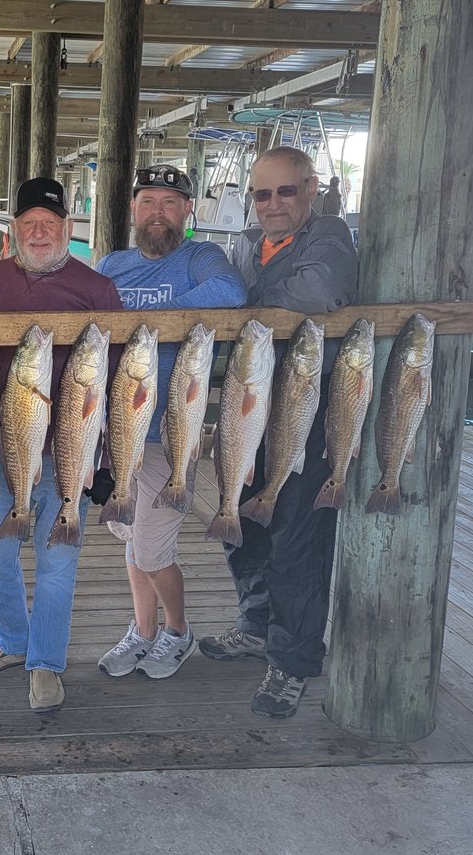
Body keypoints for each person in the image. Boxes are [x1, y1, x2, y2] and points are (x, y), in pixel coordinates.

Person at [200, 145, 358, 719]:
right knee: (237, 523)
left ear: (311, 189)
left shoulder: (329, 235)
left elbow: (319, 293)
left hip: (307, 415)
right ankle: (257, 626)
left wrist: (245, 307)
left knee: (298, 541)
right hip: (248, 412)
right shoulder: (243, 244)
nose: (273, 204)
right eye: (262, 194)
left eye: (285, 191)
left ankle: (292, 662)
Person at [0, 177, 123, 713]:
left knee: (57, 564)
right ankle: (12, 640)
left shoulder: (97, 288)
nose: (38, 233)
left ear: (67, 230)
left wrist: (105, 459)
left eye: (49, 225)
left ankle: (46, 662)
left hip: (66, 452)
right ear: (12, 232)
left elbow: (119, 379)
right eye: (28, 223)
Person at [96, 164, 247, 680]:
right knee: (133, 539)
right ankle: (142, 632)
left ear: (188, 210)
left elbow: (230, 293)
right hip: (117, 430)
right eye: (147, 202)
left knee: (153, 547)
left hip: (169, 434)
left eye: (169, 202)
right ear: (134, 210)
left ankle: (178, 633)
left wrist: (147, 326)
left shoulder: (201, 258)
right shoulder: (112, 264)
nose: (157, 211)